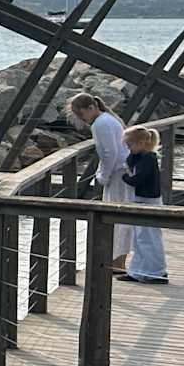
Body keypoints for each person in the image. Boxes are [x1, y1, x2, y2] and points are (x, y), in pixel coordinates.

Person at [70, 92, 131, 261]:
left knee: (116, 217)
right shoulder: (108, 119)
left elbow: (109, 153)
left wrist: (103, 176)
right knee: (122, 218)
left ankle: (117, 262)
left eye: (81, 114)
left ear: (91, 108)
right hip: (124, 170)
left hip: (119, 174)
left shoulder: (100, 124)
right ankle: (119, 261)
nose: (82, 119)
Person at [117, 125, 169, 283]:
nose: (128, 149)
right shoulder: (139, 157)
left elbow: (137, 180)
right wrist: (130, 158)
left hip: (148, 202)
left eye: (129, 145)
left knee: (150, 239)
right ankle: (138, 271)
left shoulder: (149, 159)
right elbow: (129, 162)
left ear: (140, 143)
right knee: (138, 239)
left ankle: (157, 272)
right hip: (139, 200)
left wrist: (125, 177)